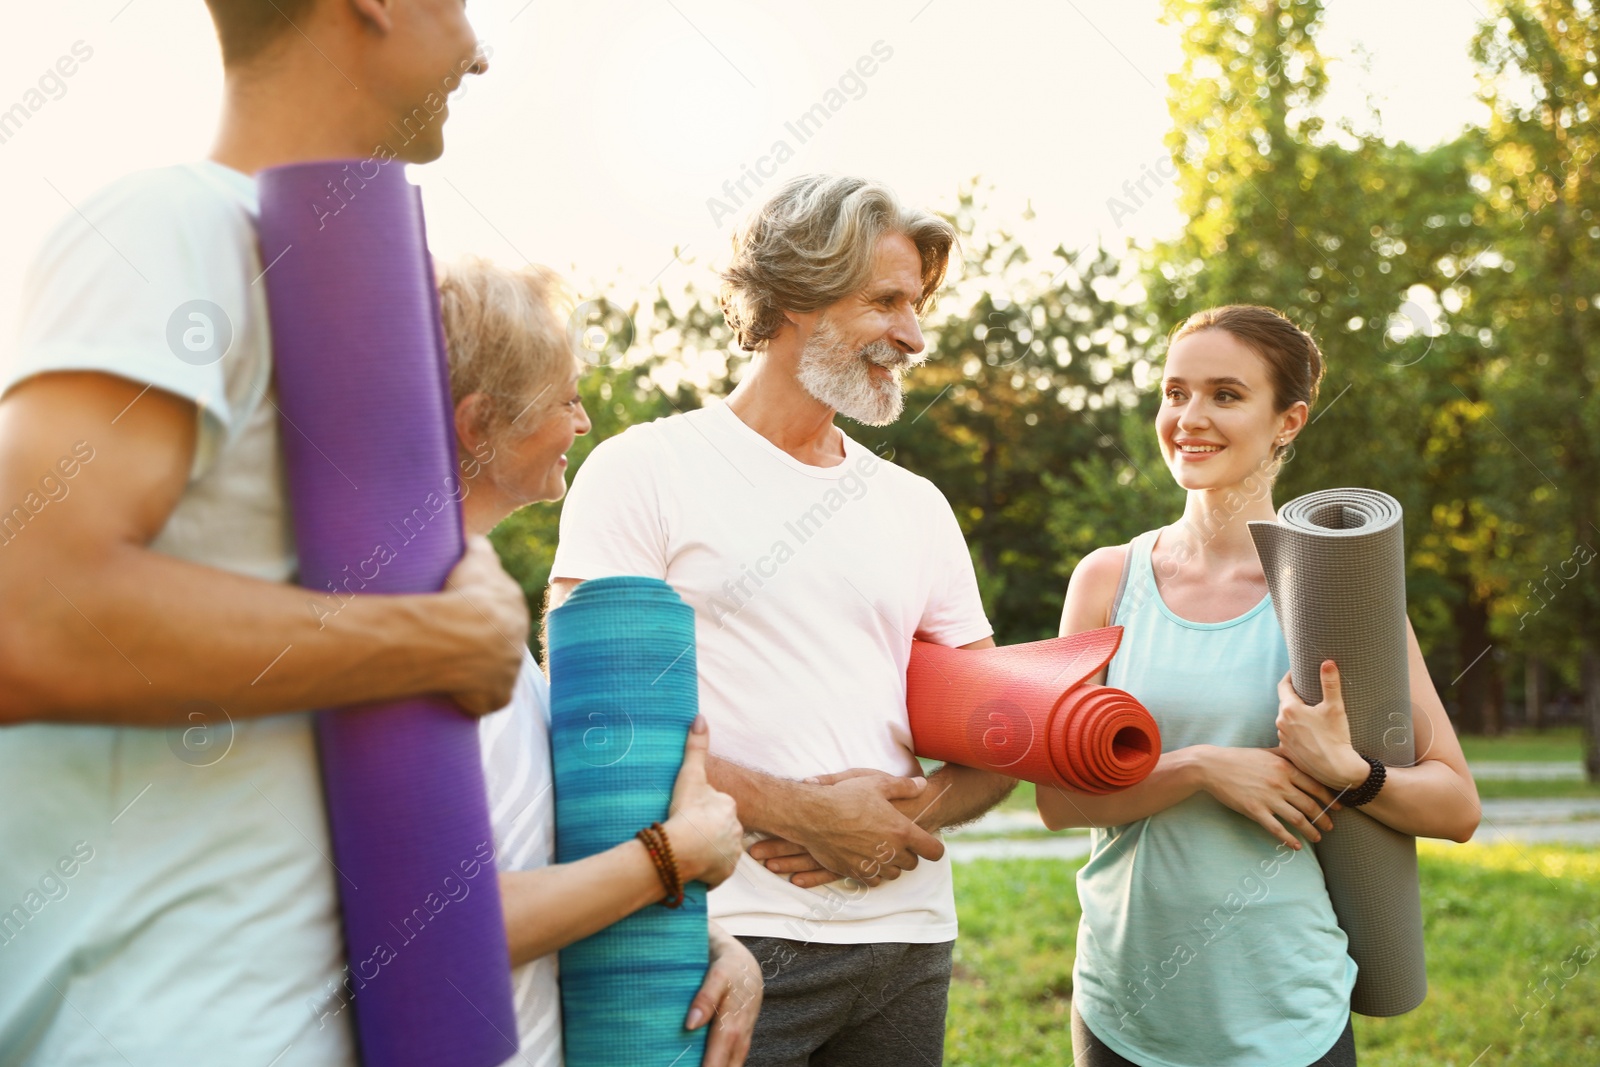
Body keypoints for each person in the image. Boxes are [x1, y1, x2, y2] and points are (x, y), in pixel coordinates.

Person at [0, 4, 528, 1063]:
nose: (481, 47)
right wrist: (442, 642)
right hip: (165, 1028)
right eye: (464, 4)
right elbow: (28, 612)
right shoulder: (173, 224)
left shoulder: (343, 271)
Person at [546, 174, 1017, 1066]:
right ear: (798, 295)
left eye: (916, 306)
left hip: (907, 941)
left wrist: (890, 828)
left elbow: (994, 738)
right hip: (725, 936)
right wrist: (802, 812)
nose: (914, 337)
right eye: (886, 302)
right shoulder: (642, 469)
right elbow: (590, 721)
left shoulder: (916, 507)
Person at [1040, 305, 1482, 1067]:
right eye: (1175, 392)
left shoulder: (1338, 598)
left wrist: (1355, 774)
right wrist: (1202, 767)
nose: (1190, 417)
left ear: (1289, 420)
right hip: (1123, 1010)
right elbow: (1058, 800)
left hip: (1287, 1017)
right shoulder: (1106, 582)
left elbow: (1457, 805)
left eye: (1225, 394)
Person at [437, 257, 763, 1067]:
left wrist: (707, 939)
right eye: (567, 398)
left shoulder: (489, 632)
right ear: (480, 424)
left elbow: (536, 863)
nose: (583, 423)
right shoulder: (412, 631)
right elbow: (441, 927)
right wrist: (674, 854)